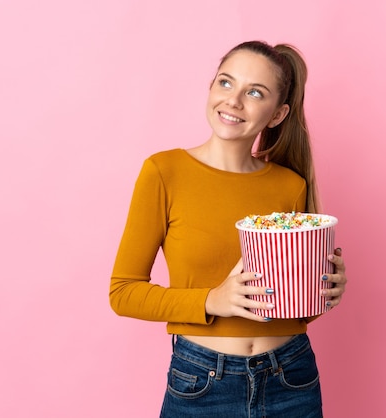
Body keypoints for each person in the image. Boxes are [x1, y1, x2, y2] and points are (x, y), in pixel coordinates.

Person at [110, 40, 347, 417]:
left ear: (277, 114)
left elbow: (292, 308)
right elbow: (123, 293)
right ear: (210, 88)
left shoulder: (290, 185)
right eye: (225, 83)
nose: (233, 101)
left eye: (254, 92)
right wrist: (211, 301)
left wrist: (324, 292)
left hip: (292, 377)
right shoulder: (164, 172)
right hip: (202, 381)